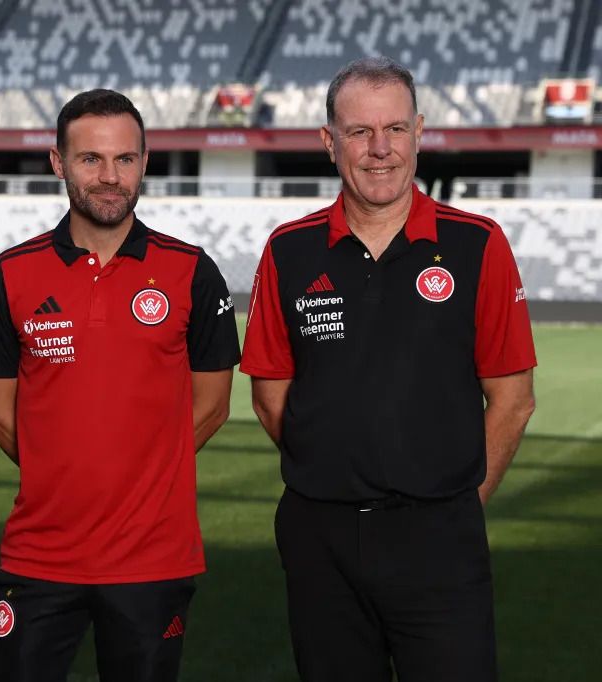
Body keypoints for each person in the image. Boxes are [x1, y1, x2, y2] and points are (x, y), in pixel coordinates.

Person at [240, 56, 537, 681]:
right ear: (329, 142)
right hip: (319, 538)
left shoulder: (477, 245)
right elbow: (270, 396)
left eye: (396, 129)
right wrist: (338, 472)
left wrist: (452, 503)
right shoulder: (288, 250)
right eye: (359, 132)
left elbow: (512, 399)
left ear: (420, 133)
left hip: (439, 538)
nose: (380, 149)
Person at [0, 89, 241, 682]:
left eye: (125, 159)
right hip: (39, 555)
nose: (110, 177)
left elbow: (214, 405)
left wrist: (139, 476)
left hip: (153, 559)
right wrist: (61, 470)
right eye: (91, 159)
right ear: (57, 163)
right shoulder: (10, 273)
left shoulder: (192, 270)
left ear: (145, 162)